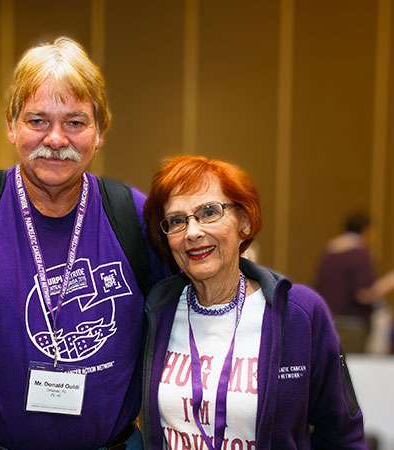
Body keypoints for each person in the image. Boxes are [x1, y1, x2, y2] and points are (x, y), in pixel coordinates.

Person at [0, 37, 169, 449]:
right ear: (11, 124)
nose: (55, 138)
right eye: (37, 120)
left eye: (75, 122)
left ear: (100, 131)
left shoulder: (137, 218)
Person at [141, 156, 365, 449]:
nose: (192, 232)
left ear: (243, 222)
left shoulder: (299, 314)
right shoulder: (156, 312)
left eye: (209, 212)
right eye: (177, 221)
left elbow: (342, 434)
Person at [314, 213, 376, 352]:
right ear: (367, 230)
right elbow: (363, 294)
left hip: (328, 320)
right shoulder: (359, 253)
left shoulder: (329, 253)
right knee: (352, 369)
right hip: (353, 323)